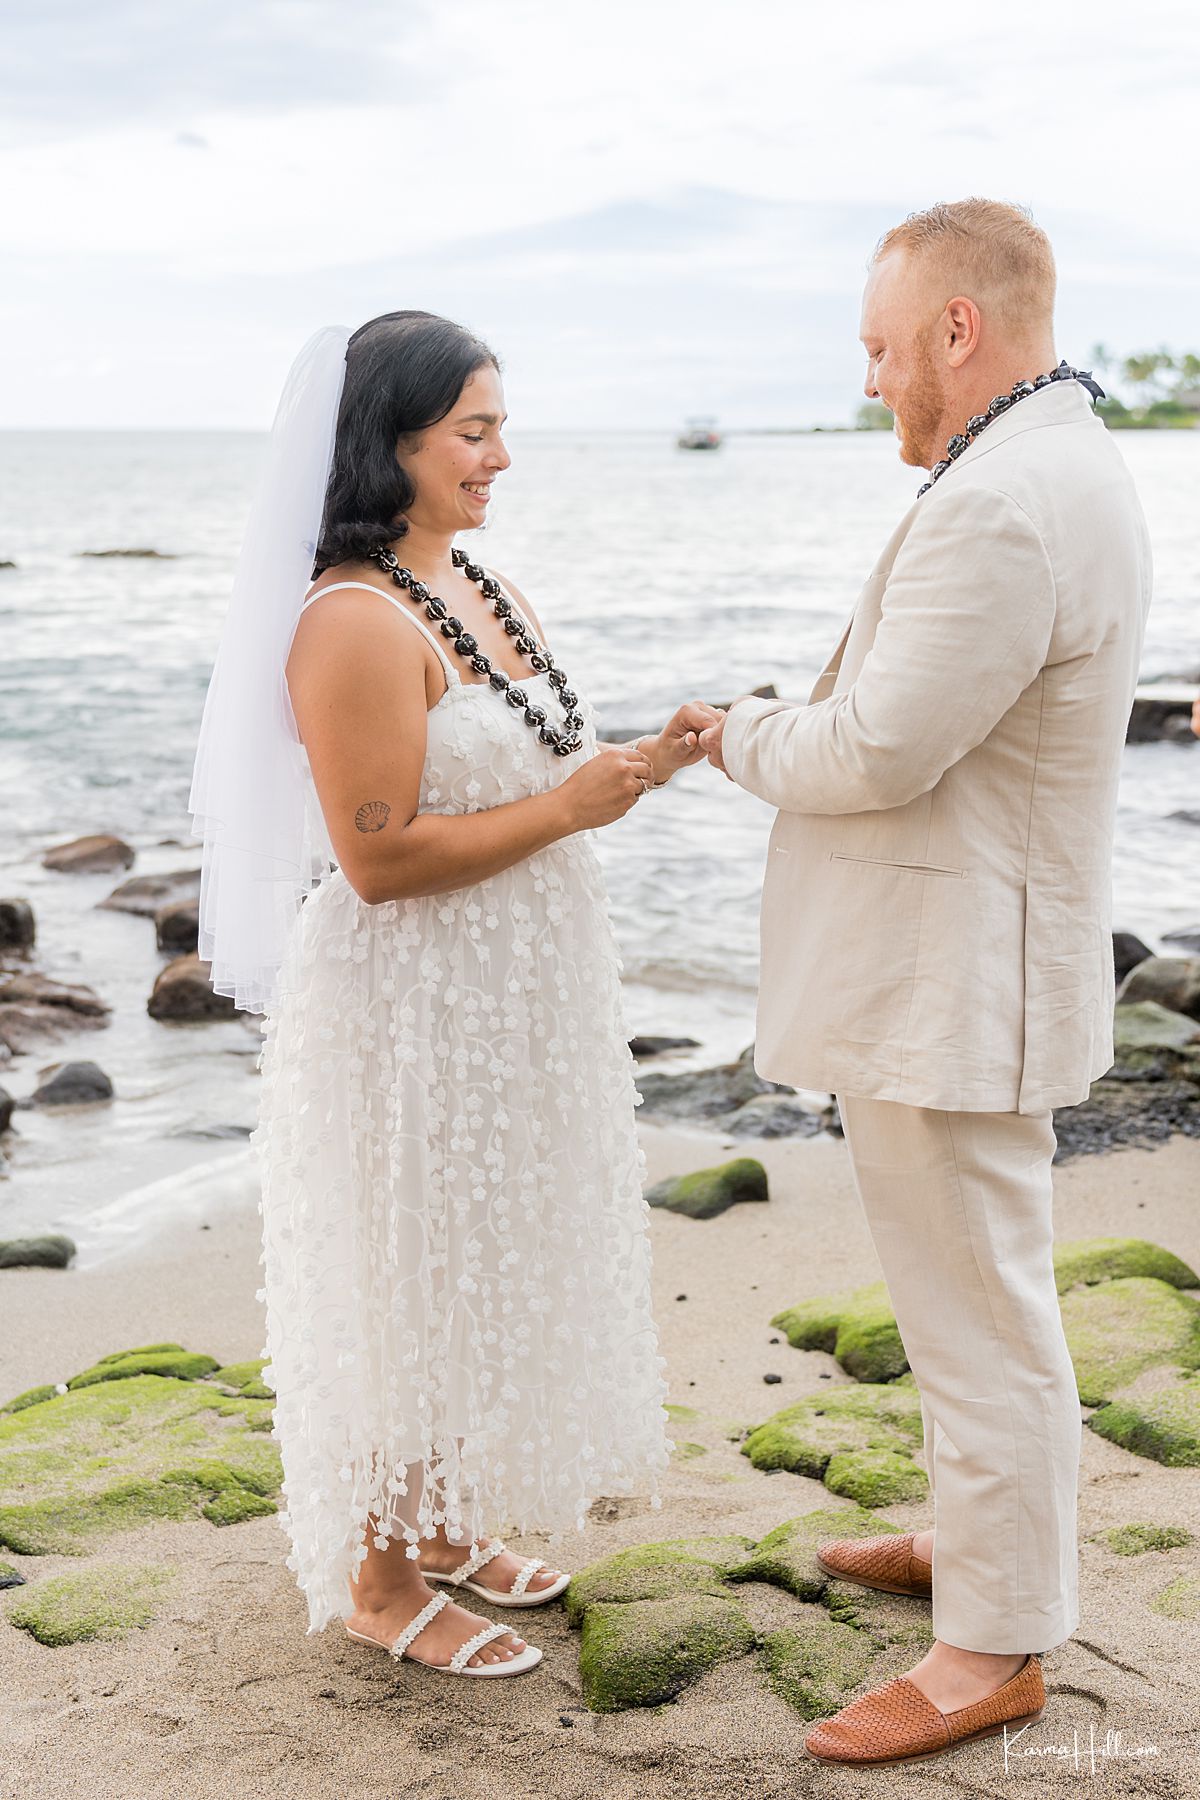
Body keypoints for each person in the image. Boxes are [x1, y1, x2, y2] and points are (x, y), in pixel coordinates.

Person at [191, 311, 717, 1679]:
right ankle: (374, 1573)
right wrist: (567, 808)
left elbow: (544, 756)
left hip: (513, 996)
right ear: (395, 444)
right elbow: (375, 858)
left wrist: (647, 764)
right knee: (404, 1271)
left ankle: (436, 1521)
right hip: (411, 1002)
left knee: (481, 1257)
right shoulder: (350, 621)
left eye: (500, 426)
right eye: (473, 431)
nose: (500, 457)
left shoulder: (482, 588)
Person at [698, 199, 1152, 1765]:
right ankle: (982, 1555)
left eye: (886, 348)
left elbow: (879, 749)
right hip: (968, 962)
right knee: (968, 1294)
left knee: (979, 1311)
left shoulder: (1006, 500)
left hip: (957, 981)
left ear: (962, 329)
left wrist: (733, 725)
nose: (876, 378)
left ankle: (995, 1650)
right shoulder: (1049, 463)